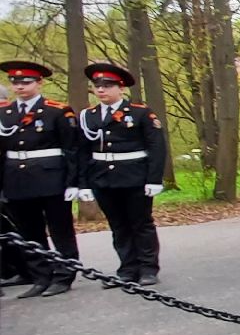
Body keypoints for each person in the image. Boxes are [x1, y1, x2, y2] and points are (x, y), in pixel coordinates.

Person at [75, 62, 167, 286]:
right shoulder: (89, 116)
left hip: (134, 176)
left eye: (107, 85)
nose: (101, 90)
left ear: (121, 88)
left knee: (141, 223)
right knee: (118, 226)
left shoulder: (139, 112)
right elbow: (83, 151)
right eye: (97, 85)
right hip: (103, 177)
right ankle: (127, 269)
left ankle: (148, 268)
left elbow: (156, 146)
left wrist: (154, 178)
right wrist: (84, 183)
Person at [0, 60, 79, 298]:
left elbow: (72, 149)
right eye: (15, 82)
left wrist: (73, 182)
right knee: (29, 231)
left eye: (26, 81)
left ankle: (64, 274)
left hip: (51, 176)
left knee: (60, 228)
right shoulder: (5, 113)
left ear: (39, 83)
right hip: (16, 178)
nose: (20, 86)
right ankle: (41, 276)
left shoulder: (57, 111)